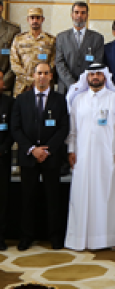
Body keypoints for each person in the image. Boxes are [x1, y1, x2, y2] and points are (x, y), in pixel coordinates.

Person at [64, 63, 115, 251]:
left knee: (109, 196)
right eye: (92, 74)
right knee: (83, 196)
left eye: (99, 74)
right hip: (83, 157)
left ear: (105, 77)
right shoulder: (78, 100)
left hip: (108, 157)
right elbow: (73, 131)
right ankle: (82, 239)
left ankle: (112, 238)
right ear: (87, 77)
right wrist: (71, 151)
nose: (95, 77)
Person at [12, 63, 68, 251]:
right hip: (29, 157)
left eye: (46, 73)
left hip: (50, 157)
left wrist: (47, 149)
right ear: (33, 76)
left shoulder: (60, 100)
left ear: (51, 76)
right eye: (39, 73)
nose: (42, 77)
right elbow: (15, 128)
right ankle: (26, 237)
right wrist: (32, 149)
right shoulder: (21, 99)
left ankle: (55, 237)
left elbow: (63, 128)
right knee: (27, 199)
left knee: (53, 198)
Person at [55, 2, 104, 94]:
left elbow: (97, 63)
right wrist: (72, 83)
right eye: (76, 12)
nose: (79, 15)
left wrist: (83, 83)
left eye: (83, 13)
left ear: (87, 15)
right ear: (71, 15)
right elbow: (59, 63)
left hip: (88, 88)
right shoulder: (61, 37)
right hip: (66, 88)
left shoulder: (97, 38)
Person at [10, 7, 55, 97]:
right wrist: (30, 81)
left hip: (44, 86)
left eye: (38, 18)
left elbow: (53, 63)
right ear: (28, 20)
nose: (35, 20)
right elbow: (14, 63)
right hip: (22, 87)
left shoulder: (51, 40)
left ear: (43, 19)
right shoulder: (19, 39)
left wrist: (39, 80)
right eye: (32, 18)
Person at [0, 71, 14, 250]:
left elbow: (13, 130)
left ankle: (1, 237)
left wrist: (3, 148)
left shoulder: (10, 103)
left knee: (2, 199)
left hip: (3, 158)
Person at [0, 0, 21, 94]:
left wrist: (3, 82)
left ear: (1, 7)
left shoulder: (13, 30)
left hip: (5, 85)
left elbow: (16, 59)